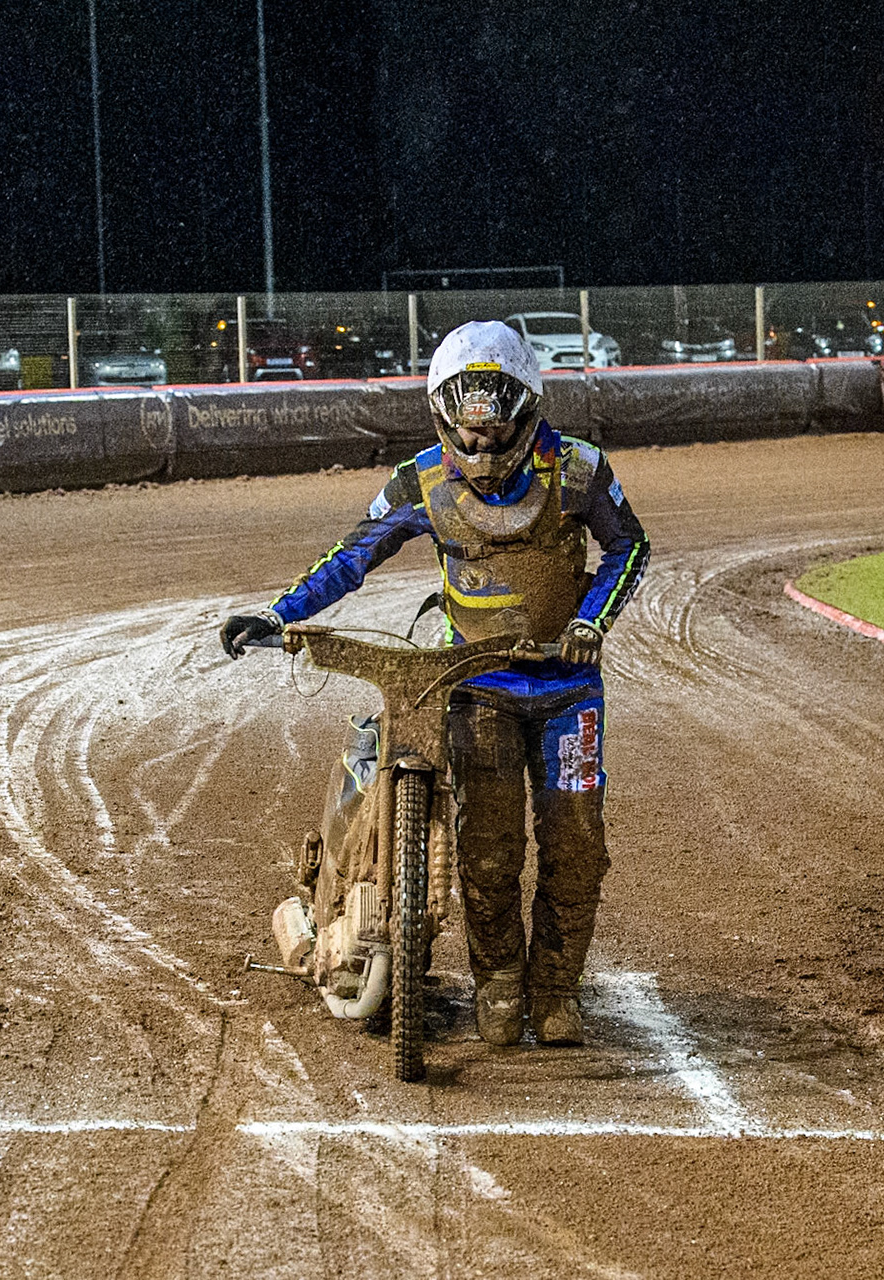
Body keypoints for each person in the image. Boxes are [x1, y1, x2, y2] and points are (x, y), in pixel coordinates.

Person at [220, 320, 650, 1048]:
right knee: (487, 848)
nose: (481, 449)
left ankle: (555, 990)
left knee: (575, 843)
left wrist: (590, 622)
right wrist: (278, 613)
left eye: (494, 432)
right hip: (473, 687)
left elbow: (627, 545)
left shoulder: (580, 469)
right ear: (443, 418)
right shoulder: (419, 479)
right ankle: (501, 987)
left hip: (568, 691)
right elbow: (351, 557)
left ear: (526, 410)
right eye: (468, 435)